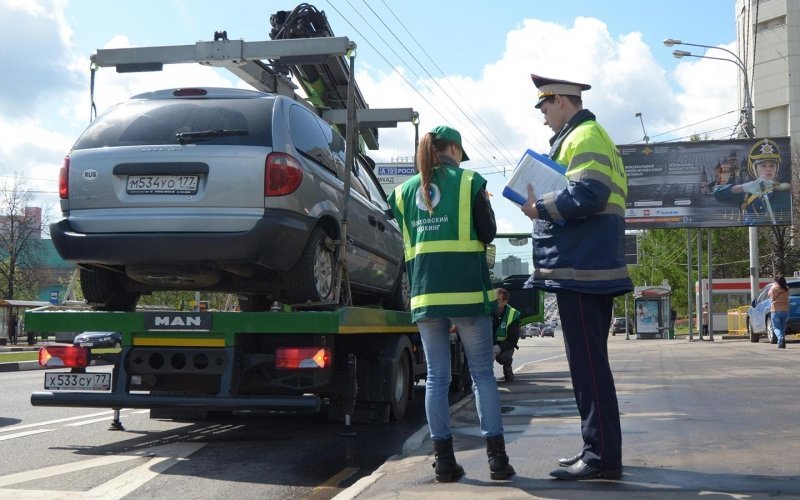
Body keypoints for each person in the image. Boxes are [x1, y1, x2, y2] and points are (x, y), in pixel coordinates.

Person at [387, 125, 515, 482]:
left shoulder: (402, 193)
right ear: (455, 150)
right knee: (482, 377)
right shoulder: (471, 182)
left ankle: (443, 462)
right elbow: (487, 234)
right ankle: (498, 461)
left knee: (437, 379)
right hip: (467, 294)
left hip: (426, 295)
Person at [520, 74, 632, 480]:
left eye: (545, 107)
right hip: (589, 266)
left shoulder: (583, 137)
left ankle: (601, 457)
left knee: (588, 368)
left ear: (561, 101)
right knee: (589, 366)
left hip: (583, 269)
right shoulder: (590, 135)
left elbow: (588, 194)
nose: (544, 117)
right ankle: (596, 448)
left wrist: (540, 208)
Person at [713, 139, 790, 225]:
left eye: (772, 166)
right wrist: (745, 187)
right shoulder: (747, 194)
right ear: (755, 169)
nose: (768, 169)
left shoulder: (786, 193)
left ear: (777, 169)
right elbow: (718, 194)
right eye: (763, 165)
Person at [492, 288, 520, 382]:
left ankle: (508, 369)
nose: (494, 302)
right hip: (488, 343)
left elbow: (513, 339)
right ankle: (488, 378)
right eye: (493, 300)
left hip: (504, 345)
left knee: (504, 357)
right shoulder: (487, 311)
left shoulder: (513, 315)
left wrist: (498, 348)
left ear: (505, 301)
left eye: (498, 300)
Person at [768, 276, 789, 349]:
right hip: (785, 311)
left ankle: (781, 338)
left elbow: (769, 294)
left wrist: (773, 285)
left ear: (776, 281)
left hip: (775, 310)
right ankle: (780, 344)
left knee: (776, 327)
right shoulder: (786, 288)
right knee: (782, 327)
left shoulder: (774, 288)